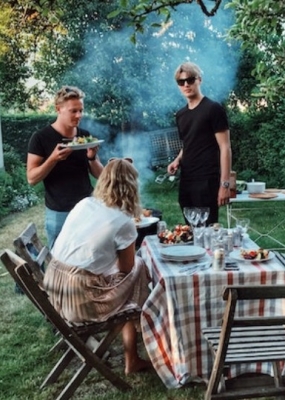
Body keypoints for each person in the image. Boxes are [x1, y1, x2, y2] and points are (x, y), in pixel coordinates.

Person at [42, 158, 151, 375]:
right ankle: (136, 351)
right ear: (131, 187)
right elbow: (126, 269)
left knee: (129, 277)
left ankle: (133, 353)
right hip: (79, 301)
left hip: (53, 290)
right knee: (139, 269)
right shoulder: (123, 221)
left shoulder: (84, 204)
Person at [26, 85, 104, 249]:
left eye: (81, 110)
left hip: (86, 208)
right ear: (58, 109)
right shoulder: (41, 138)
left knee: (90, 257)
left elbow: (101, 175)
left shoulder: (84, 136)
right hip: (59, 212)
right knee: (60, 262)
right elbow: (31, 178)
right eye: (73, 111)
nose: (79, 115)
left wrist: (91, 157)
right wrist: (53, 159)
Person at [167, 62, 232, 225]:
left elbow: (225, 147)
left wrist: (225, 184)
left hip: (207, 180)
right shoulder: (181, 115)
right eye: (181, 82)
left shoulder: (213, 109)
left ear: (199, 80)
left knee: (207, 230)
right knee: (189, 231)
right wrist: (177, 160)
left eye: (190, 80)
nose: (186, 84)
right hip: (187, 179)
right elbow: (188, 143)